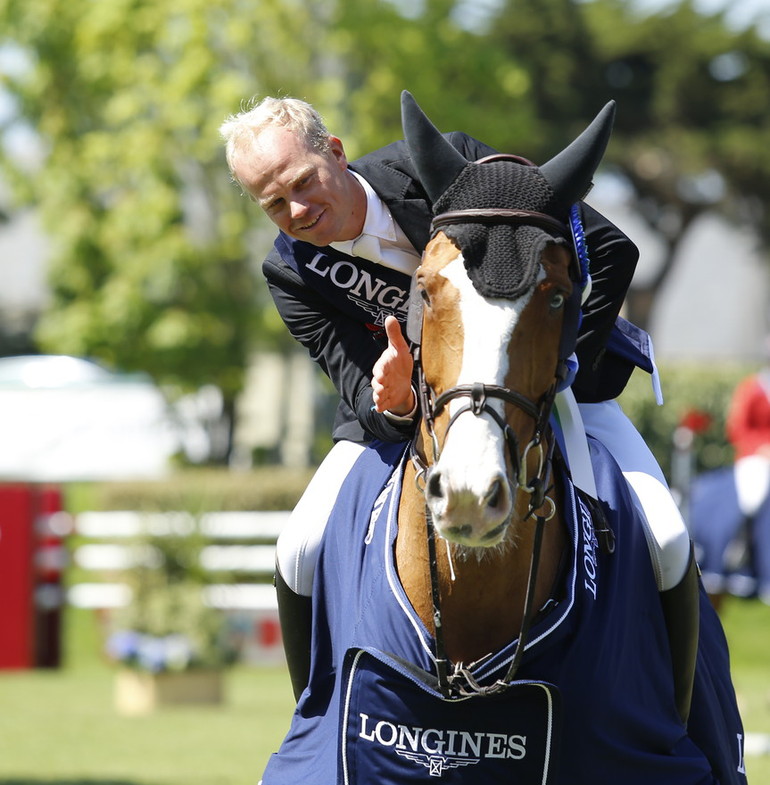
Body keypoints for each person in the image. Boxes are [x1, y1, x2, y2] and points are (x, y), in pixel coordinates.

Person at [220, 95, 691, 700]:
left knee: (667, 535)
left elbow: (611, 248)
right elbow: (354, 383)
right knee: (298, 547)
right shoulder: (290, 270)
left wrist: (560, 361)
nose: (299, 210)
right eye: (275, 204)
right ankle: (319, 718)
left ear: (334, 153)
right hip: (412, 418)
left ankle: (678, 722)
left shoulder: (451, 167)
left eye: (304, 182)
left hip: (546, 390)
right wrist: (389, 403)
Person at [726, 338, 770, 519]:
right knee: (752, 498)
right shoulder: (751, 388)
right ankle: (743, 541)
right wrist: (761, 448)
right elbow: (736, 428)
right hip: (756, 455)